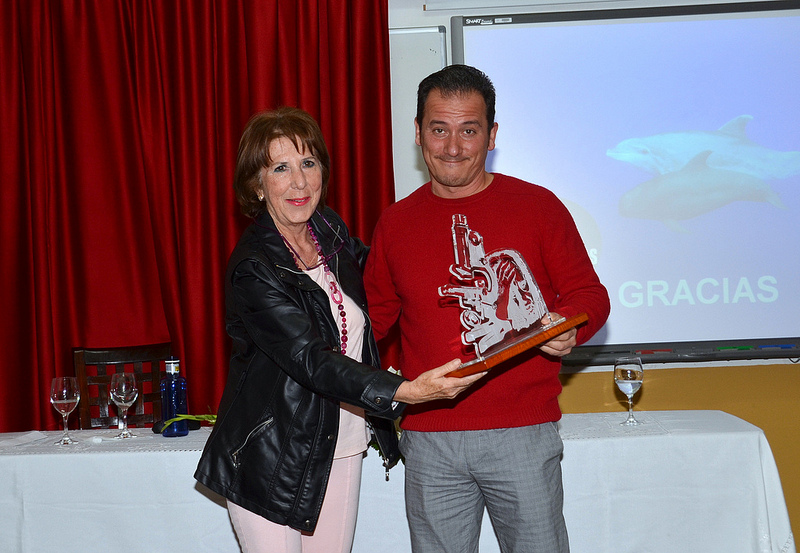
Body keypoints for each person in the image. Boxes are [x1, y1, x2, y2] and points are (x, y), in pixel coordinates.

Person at [194, 107, 485, 553]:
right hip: (271, 455)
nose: (300, 182)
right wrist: (403, 391)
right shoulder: (253, 268)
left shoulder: (329, 231)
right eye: (280, 168)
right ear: (257, 185)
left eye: (308, 163)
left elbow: (392, 277)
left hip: (343, 441)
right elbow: (311, 359)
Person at [363, 65, 611, 552]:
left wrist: (569, 325)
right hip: (430, 436)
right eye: (439, 129)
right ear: (418, 133)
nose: (453, 147)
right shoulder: (394, 223)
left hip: (522, 432)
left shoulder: (538, 206)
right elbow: (370, 323)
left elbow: (589, 294)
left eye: (469, 130)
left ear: (492, 135)